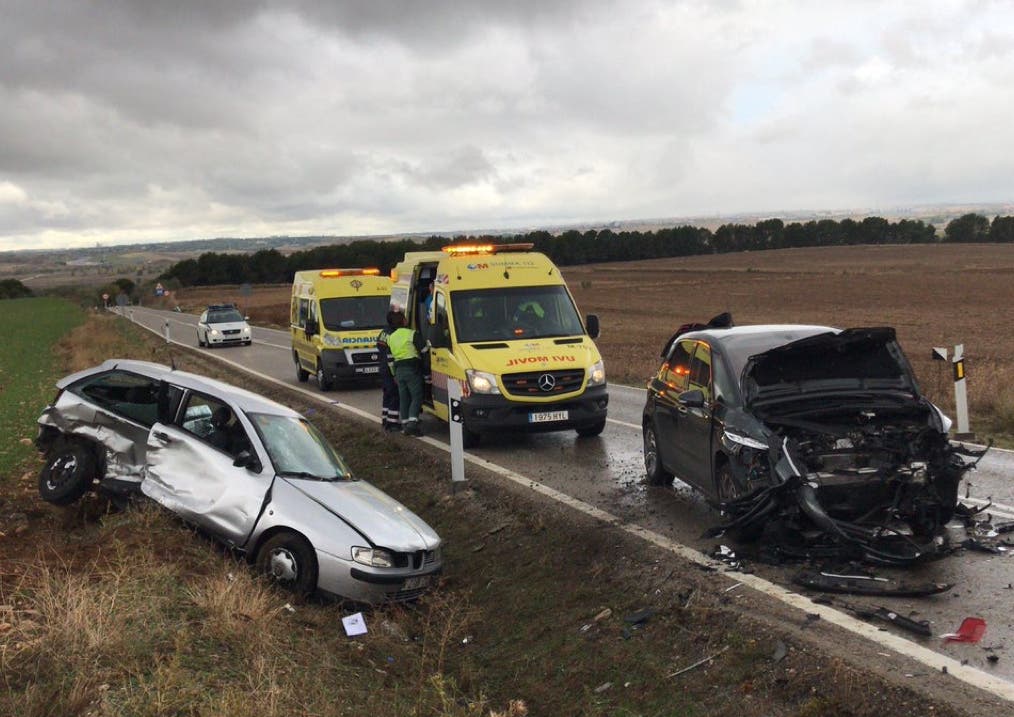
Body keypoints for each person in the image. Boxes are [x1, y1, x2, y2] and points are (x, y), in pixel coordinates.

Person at [387, 311, 428, 436]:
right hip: (412, 369)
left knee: (404, 398)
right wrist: (426, 373)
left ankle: (405, 425)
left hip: (399, 370)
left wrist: (394, 374)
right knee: (416, 396)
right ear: (404, 320)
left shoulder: (391, 337)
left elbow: (390, 359)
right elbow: (425, 351)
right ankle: (412, 424)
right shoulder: (412, 334)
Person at [375, 311, 402, 432]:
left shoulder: (384, 332)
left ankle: (385, 419)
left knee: (387, 393)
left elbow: (379, 347)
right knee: (394, 394)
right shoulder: (393, 334)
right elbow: (390, 355)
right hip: (390, 368)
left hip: (383, 366)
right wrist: (394, 373)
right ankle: (392, 423)